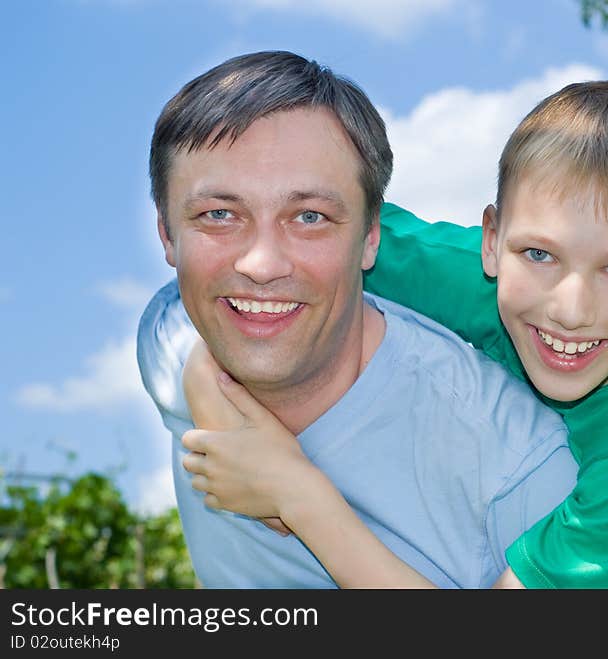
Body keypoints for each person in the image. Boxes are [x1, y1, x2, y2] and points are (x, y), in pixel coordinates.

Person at [183, 79, 608, 588]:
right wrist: (205, 373)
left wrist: (299, 495)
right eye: (539, 254)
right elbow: (258, 263)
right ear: (492, 243)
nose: (571, 308)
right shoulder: (471, 280)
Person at [135, 50, 580, 588]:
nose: (261, 265)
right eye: (219, 215)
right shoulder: (171, 343)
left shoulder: (514, 462)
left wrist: (301, 497)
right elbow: (169, 321)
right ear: (167, 235)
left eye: (309, 217)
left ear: (371, 236)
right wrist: (205, 383)